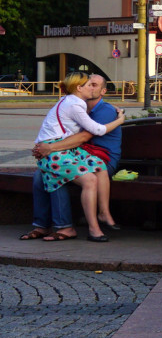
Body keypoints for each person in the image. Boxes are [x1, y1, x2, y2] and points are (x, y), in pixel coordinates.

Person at [24, 73, 124, 242]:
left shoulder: (104, 110)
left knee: (57, 174)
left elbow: (84, 137)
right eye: (88, 84)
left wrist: (49, 147)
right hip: (76, 153)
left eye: (94, 85)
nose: (91, 87)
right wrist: (47, 147)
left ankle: (71, 225)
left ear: (103, 91)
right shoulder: (77, 105)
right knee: (40, 176)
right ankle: (45, 226)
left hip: (101, 157)